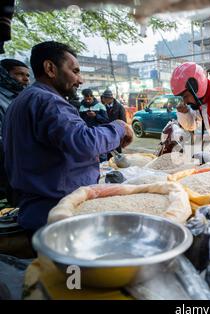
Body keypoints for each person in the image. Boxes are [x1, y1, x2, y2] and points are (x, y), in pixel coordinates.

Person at [2, 41, 133, 232]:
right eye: (75, 71)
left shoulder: (21, 100)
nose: (80, 80)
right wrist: (119, 127)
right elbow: (85, 142)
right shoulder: (48, 101)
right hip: (56, 211)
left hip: (34, 207)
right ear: (50, 69)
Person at [0, 59, 30, 204]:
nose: (25, 79)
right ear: (4, 75)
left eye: (27, 75)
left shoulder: (23, 97)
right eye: (19, 74)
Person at [101, 88, 126, 156]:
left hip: (116, 132)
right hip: (107, 132)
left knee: (117, 152)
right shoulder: (103, 107)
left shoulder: (119, 107)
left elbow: (123, 122)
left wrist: (122, 133)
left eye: (105, 98)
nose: (103, 100)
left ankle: (119, 164)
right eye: (103, 98)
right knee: (109, 151)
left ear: (110, 98)